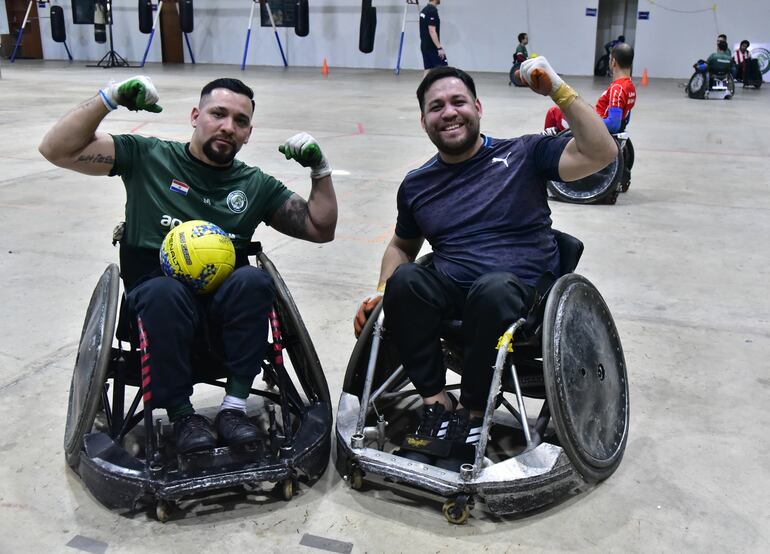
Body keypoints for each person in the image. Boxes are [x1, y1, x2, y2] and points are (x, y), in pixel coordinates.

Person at [38, 76, 338, 454]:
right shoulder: (148, 157)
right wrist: (108, 98)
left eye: (240, 121)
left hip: (223, 313)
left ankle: (233, 409)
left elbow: (319, 227)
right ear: (195, 116)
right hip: (155, 305)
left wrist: (320, 169)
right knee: (166, 292)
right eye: (218, 114)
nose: (228, 126)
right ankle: (182, 415)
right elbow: (55, 149)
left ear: (248, 134)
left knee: (252, 281)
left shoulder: (254, 185)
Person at [352, 61, 616, 470]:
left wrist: (558, 91)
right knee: (406, 280)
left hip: (522, 298)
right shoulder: (417, 185)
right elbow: (400, 247)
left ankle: (475, 412)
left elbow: (602, 153)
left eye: (458, 101)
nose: (449, 112)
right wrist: (382, 290)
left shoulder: (524, 153)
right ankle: (438, 405)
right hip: (454, 294)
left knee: (492, 290)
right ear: (424, 121)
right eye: (436, 107)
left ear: (478, 107)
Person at [544, 42, 636, 135]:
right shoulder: (630, 86)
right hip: (597, 118)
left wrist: (589, 122)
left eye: (609, 59)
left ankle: (547, 144)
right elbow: (624, 118)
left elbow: (614, 125)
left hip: (594, 129)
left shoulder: (617, 88)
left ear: (613, 62)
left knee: (554, 112)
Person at [420, 0, 447, 75]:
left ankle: (423, 87)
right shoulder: (432, 11)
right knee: (444, 70)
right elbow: (432, 30)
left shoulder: (424, 10)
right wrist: (439, 48)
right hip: (432, 47)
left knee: (428, 70)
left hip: (424, 45)